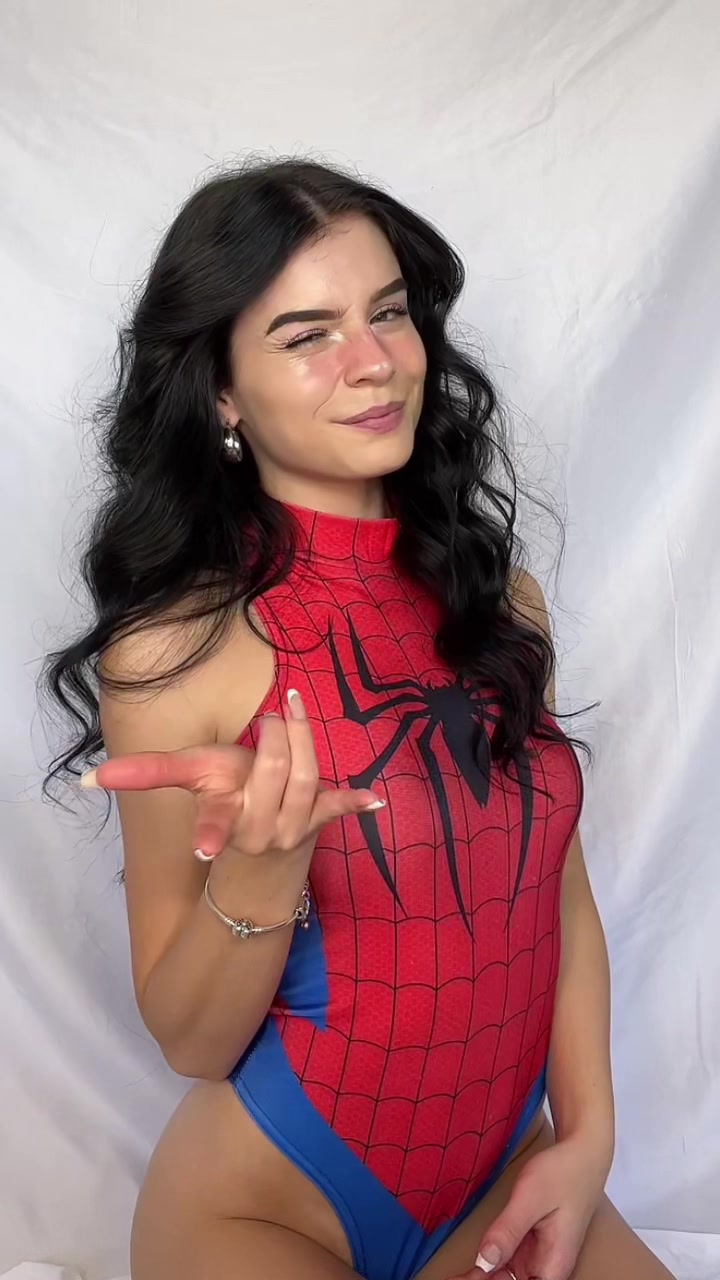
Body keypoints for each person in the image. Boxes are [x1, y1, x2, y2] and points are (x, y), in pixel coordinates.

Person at [44, 158, 674, 1280]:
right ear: (222, 392)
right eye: (307, 335)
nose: (374, 360)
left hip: (503, 1180)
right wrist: (260, 869)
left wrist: (588, 1140)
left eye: (387, 312)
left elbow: (556, 891)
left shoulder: (499, 602)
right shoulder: (177, 648)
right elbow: (191, 1042)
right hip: (264, 1212)